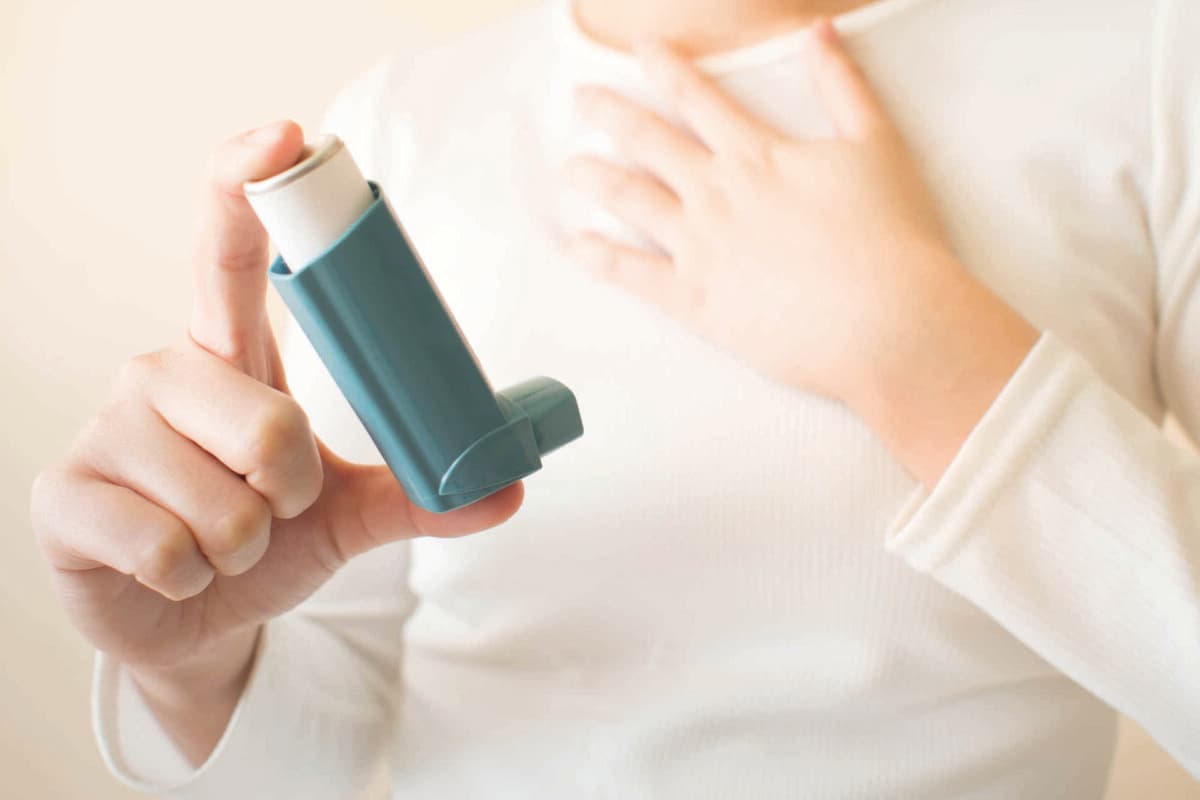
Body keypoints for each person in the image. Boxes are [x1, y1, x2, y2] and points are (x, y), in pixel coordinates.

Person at [29, 0, 1200, 796]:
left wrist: (924, 355)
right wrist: (195, 669)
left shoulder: (1150, 64)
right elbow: (319, 752)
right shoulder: (406, 125)